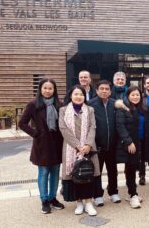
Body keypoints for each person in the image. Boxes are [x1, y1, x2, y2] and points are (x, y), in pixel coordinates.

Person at [19, 78, 64, 214]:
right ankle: (44, 200)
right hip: (42, 145)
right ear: (40, 89)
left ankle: (52, 198)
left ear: (54, 90)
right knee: (44, 172)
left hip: (57, 144)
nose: (47, 91)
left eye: (50, 88)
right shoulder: (33, 104)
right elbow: (22, 123)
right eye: (45, 88)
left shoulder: (59, 104)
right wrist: (36, 133)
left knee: (55, 172)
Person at [59, 85, 100, 216]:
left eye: (81, 94)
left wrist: (87, 144)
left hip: (89, 148)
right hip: (71, 147)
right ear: (70, 95)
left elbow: (93, 126)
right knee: (75, 174)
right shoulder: (63, 110)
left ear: (85, 96)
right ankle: (79, 203)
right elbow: (63, 128)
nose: (78, 96)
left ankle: (88, 203)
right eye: (76, 94)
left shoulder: (90, 110)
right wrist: (77, 145)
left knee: (88, 174)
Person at [116, 86, 148, 209]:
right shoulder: (123, 109)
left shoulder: (142, 108)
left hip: (140, 142)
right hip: (130, 144)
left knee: (134, 167)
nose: (135, 97)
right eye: (133, 95)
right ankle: (132, 194)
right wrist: (129, 142)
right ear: (128, 96)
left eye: (137, 95)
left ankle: (132, 192)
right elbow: (120, 126)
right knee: (130, 168)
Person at [89, 80, 120, 207]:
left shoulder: (115, 104)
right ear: (96, 91)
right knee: (97, 170)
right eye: (101, 88)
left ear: (110, 91)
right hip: (97, 146)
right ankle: (97, 195)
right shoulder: (90, 104)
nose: (104, 91)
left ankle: (113, 192)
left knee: (113, 170)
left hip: (113, 144)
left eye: (107, 89)